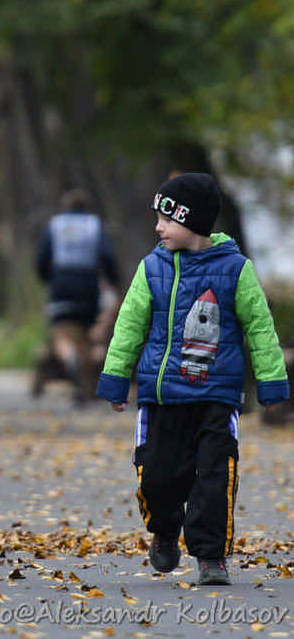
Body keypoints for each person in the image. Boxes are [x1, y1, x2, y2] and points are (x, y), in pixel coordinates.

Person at [96, 172, 289, 585]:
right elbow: (129, 326)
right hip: (162, 396)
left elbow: (260, 328)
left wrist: (272, 383)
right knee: (158, 477)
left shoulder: (237, 270)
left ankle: (210, 555)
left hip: (216, 395)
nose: (158, 227)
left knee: (216, 475)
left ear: (193, 221)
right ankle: (165, 530)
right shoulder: (152, 268)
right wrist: (115, 377)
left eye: (167, 219)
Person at [34, 188, 120, 403]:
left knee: (62, 334)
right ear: (86, 207)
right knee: (85, 337)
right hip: (88, 283)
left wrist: (47, 279)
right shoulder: (95, 224)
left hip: (61, 281)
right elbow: (107, 257)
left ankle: (69, 358)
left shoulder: (54, 225)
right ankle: (85, 384)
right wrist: (112, 282)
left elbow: (42, 258)